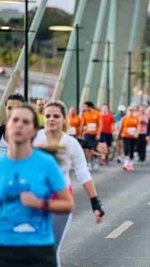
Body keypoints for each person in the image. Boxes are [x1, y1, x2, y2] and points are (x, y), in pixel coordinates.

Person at [0, 105, 74, 267]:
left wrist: (40, 203)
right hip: (4, 248)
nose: (19, 125)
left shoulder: (46, 164)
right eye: (15, 120)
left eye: (25, 122)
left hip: (39, 248)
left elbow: (67, 204)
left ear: (34, 131)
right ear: (7, 126)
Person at [33, 101, 105, 265]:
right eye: (48, 116)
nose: (51, 119)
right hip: (35, 198)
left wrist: (95, 203)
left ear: (64, 119)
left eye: (56, 116)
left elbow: (82, 173)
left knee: (51, 247)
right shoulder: (35, 139)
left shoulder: (71, 143)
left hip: (61, 199)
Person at [81, 101, 102, 171]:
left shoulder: (97, 113)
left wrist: (98, 134)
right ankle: (89, 163)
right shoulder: (85, 114)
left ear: (89, 107)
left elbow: (100, 124)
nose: (84, 108)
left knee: (94, 148)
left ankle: (95, 161)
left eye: (85, 107)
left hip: (95, 134)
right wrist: (81, 133)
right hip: (87, 133)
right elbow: (82, 124)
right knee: (87, 149)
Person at [119, 106, 140, 171]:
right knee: (126, 148)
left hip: (133, 136)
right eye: (130, 110)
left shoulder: (136, 118)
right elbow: (121, 127)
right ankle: (126, 162)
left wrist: (137, 133)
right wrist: (119, 134)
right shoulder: (124, 118)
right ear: (127, 111)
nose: (131, 112)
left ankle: (130, 163)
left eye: (132, 110)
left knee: (131, 149)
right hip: (125, 135)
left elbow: (138, 127)